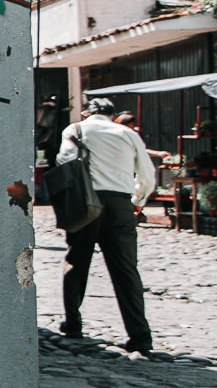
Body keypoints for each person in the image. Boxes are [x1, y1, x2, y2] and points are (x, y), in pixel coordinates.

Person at [54, 97, 156, 354]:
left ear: (88, 113)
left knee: (77, 262)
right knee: (126, 270)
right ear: (112, 115)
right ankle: (140, 335)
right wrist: (137, 200)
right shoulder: (127, 134)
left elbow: (65, 162)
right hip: (121, 204)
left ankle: (73, 323)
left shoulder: (76, 129)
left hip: (86, 202)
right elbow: (146, 174)